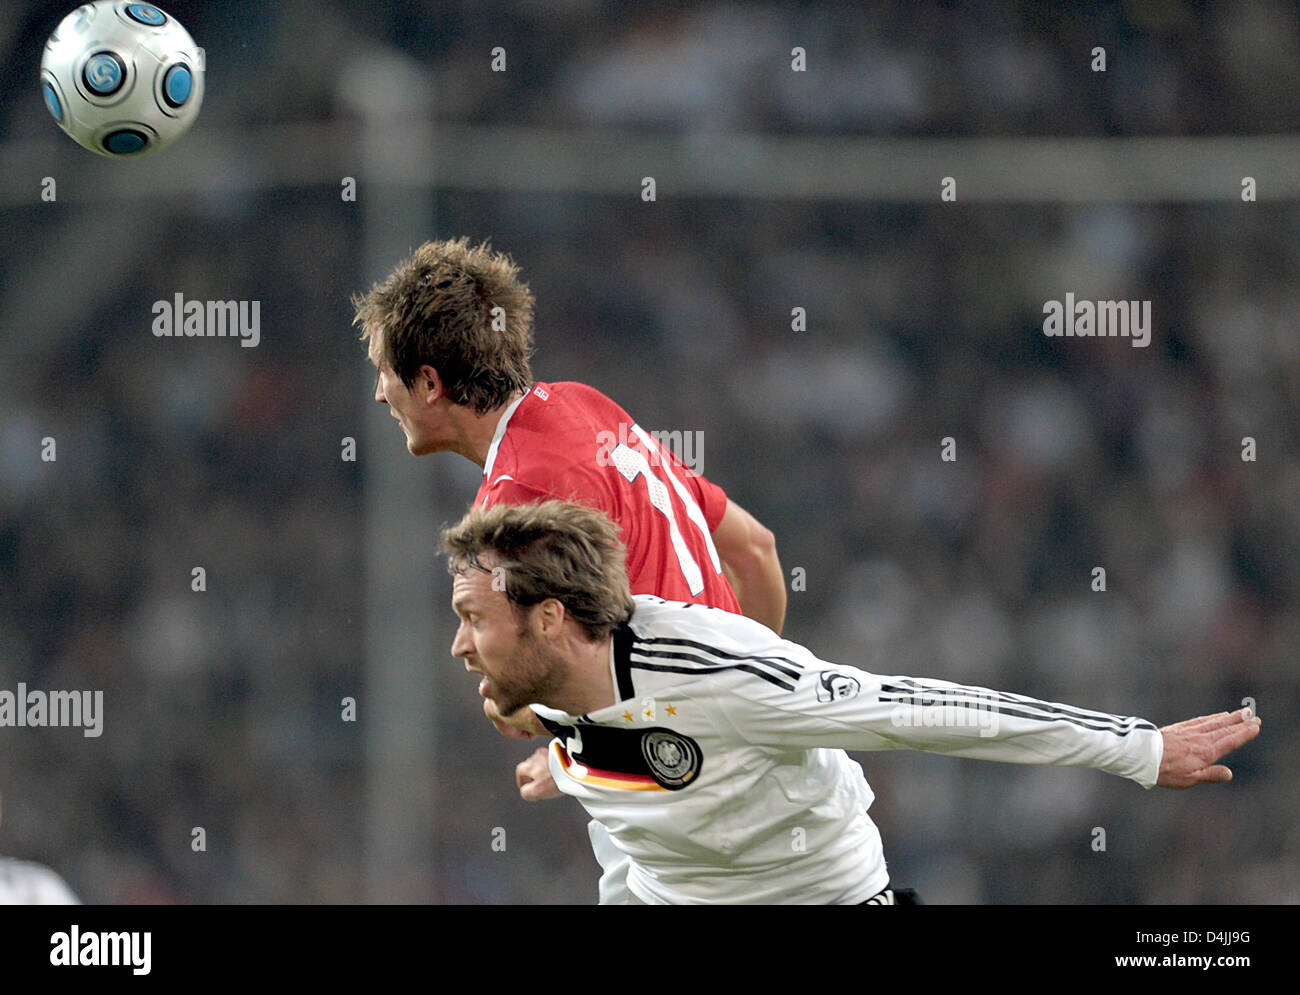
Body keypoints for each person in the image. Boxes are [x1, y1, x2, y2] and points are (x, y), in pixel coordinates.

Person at [441, 499, 1263, 905]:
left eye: (473, 617)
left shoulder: (722, 675)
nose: (459, 644)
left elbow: (921, 709)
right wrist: (569, 758)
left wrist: (1138, 748)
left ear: (550, 619)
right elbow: (637, 822)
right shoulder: (542, 690)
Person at [352, 237, 787, 898]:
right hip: (739, 774)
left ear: (431, 383)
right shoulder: (586, 407)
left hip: (683, 810)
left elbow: (518, 694)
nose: (381, 394)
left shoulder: (517, 495)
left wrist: (531, 712)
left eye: (385, 371)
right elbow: (755, 550)